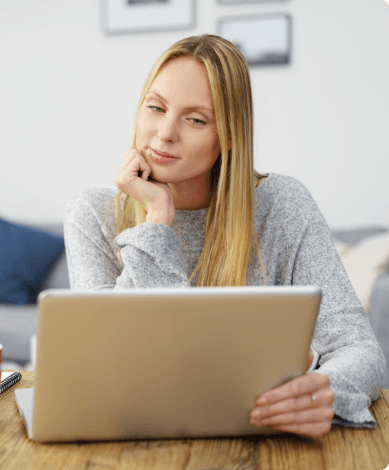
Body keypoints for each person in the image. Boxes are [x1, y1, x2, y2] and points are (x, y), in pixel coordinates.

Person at [63, 34, 386, 437]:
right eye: (156, 108)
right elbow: (111, 368)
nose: (164, 133)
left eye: (195, 119)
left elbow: (360, 351)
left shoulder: (282, 205)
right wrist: (157, 219)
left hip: (262, 438)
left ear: (229, 136)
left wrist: (324, 393)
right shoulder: (91, 215)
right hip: (135, 440)